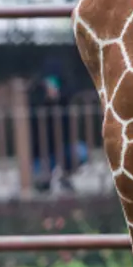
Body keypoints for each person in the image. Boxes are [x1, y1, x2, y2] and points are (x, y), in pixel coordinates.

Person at [28, 60, 87, 193]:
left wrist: (58, 96)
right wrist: (45, 97)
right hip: (40, 152)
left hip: (62, 148)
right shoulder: (35, 95)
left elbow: (71, 92)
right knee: (40, 183)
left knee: (81, 152)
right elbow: (33, 99)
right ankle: (45, 181)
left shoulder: (65, 97)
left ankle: (64, 177)